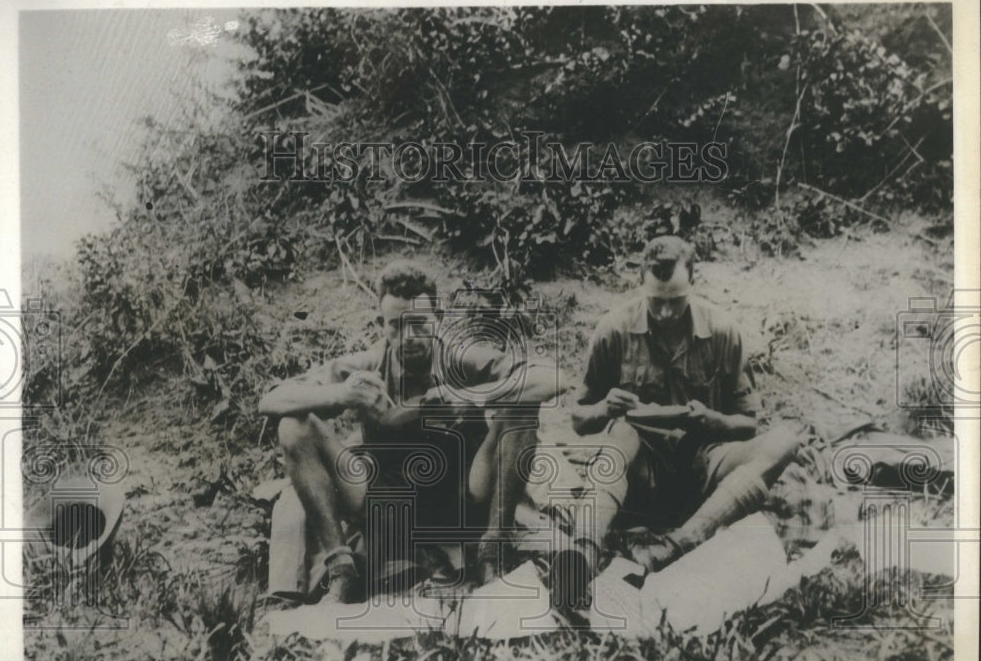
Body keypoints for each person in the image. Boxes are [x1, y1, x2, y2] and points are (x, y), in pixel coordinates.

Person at [259, 260, 560, 604]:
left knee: (521, 409)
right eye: (396, 327)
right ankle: (342, 570)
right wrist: (340, 394)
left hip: (462, 500)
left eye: (419, 324)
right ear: (380, 325)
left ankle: (492, 553)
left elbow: (553, 379)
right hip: (387, 506)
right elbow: (271, 399)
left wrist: (470, 396)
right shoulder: (367, 367)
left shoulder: (461, 359)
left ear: (439, 319)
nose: (409, 338)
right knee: (293, 426)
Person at [567, 235, 801, 604]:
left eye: (674, 302)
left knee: (784, 440)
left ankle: (679, 545)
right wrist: (604, 409)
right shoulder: (614, 329)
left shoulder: (723, 331)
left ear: (693, 282)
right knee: (623, 434)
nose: (663, 313)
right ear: (641, 283)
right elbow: (578, 419)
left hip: (705, 465)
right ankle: (582, 554)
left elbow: (748, 425)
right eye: (655, 301)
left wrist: (711, 420)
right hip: (640, 474)